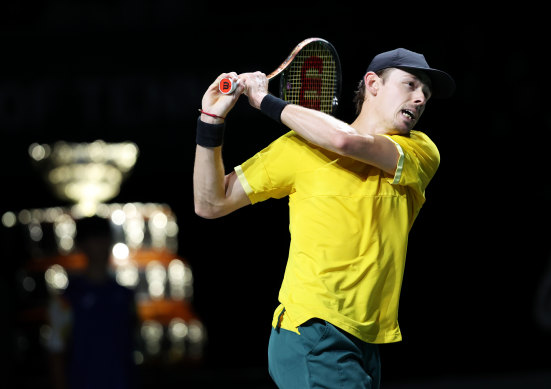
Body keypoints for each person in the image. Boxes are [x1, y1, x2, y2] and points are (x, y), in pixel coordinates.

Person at [193, 47, 455, 388]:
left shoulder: (420, 151)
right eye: (410, 85)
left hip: (366, 339)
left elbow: (343, 139)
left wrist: (264, 101)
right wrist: (210, 121)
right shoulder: (299, 147)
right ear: (373, 84)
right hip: (312, 331)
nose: (420, 98)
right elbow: (211, 202)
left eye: (426, 93)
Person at [48, 216, 138, 389]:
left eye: (105, 238)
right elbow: (56, 353)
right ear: (82, 244)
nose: (101, 245)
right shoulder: (67, 299)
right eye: (95, 239)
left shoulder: (124, 295)